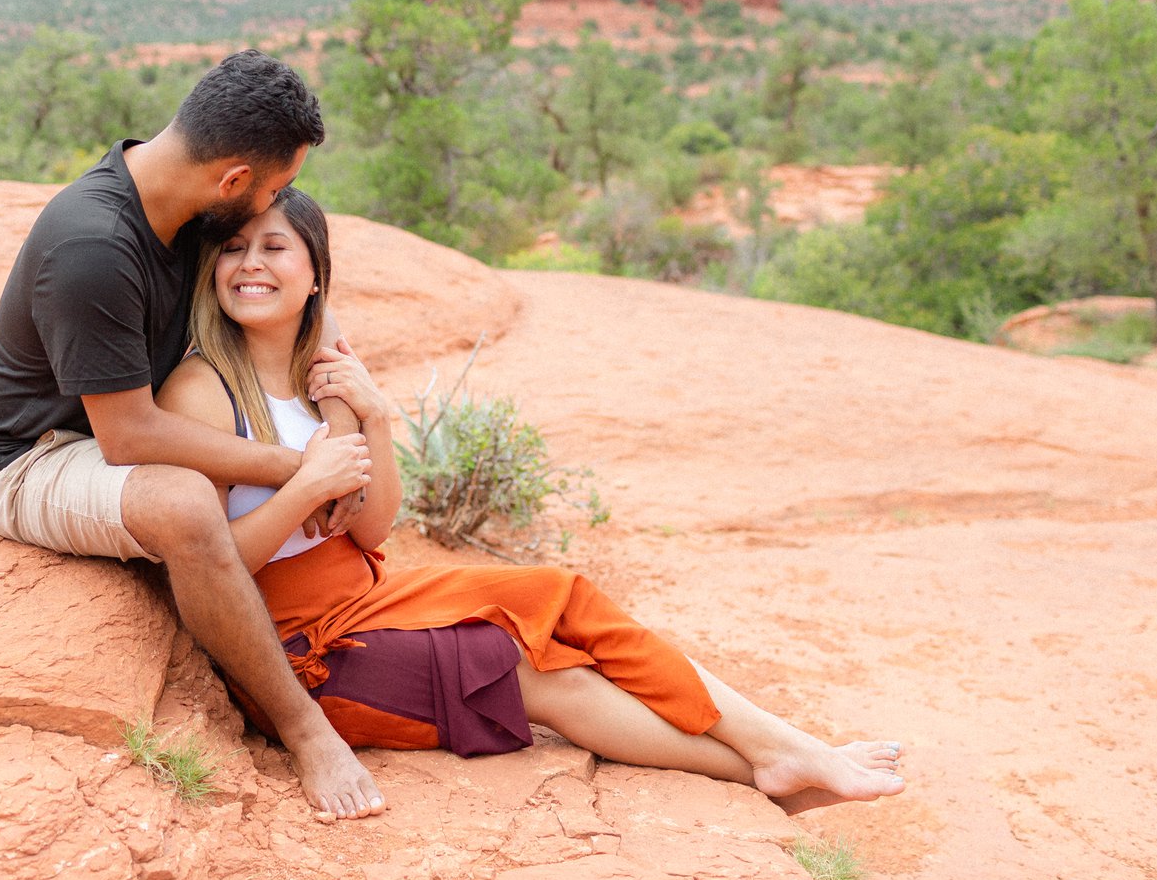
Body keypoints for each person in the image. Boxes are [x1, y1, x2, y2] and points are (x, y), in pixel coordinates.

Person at [156, 188, 907, 814]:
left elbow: (375, 525)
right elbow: (208, 566)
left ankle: (781, 747)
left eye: (273, 247)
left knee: (562, 597)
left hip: (367, 597)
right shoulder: (203, 389)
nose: (250, 265)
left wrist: (377, 417)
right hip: (293, 648)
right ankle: (761, 770)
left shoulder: (323, 372)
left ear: (316, 273)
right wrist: (306, 489)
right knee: (529, 668)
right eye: (232, 249)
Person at [0, 51, 387, 820]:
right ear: (232, 181)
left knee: (213, 481)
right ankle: (306, 729)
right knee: (188, 505)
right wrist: (300, 469)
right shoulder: (93, 243)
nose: (274, 202)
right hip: (31, 459)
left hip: (114, 433)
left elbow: (301, 306)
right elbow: (127, 437)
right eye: (273, 188)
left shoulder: (186, 207)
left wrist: (345, 428)